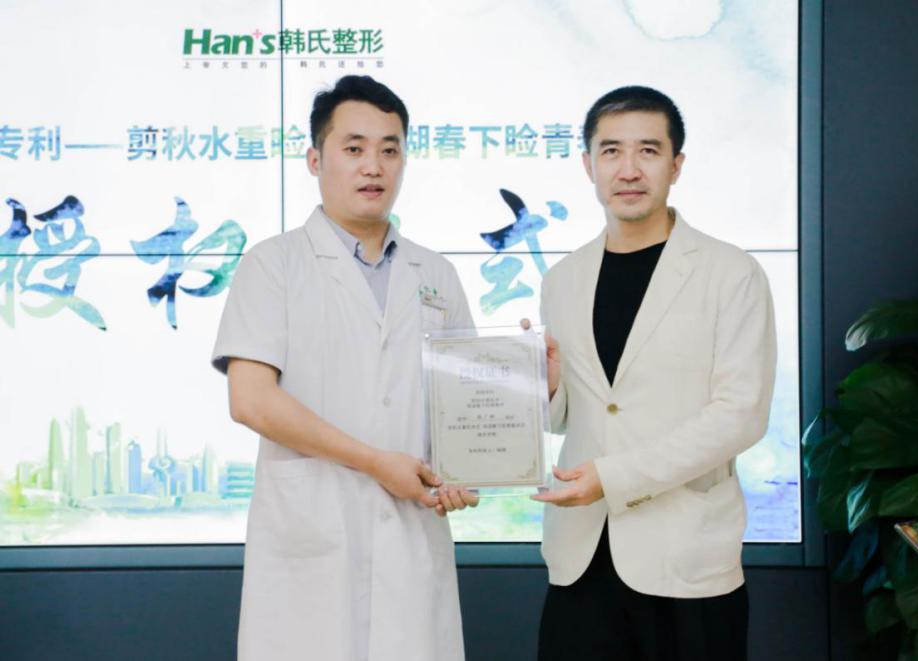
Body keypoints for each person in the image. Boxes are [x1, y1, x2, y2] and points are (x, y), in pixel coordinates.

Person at [211, 75, 477, 661]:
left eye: (390, 149)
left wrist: (528, 388)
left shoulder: (436, 274)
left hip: (411, 542)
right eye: (354, 148)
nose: (373, 166)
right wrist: (376, 462)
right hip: (311, 546)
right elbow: (250, 401)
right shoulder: (273, 265)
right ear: (315, 159)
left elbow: (463, 407)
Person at [531, 85, 777, 660]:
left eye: (648, 150)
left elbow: (740, 415)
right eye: (611, 151)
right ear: (588, 165)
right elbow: (571, 416)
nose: (629, 169)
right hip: (581, 553)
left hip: (685, 555)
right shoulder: (562, 279)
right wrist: (548, 387)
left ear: (676, 165)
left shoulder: (731, 272)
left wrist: (615, 477)